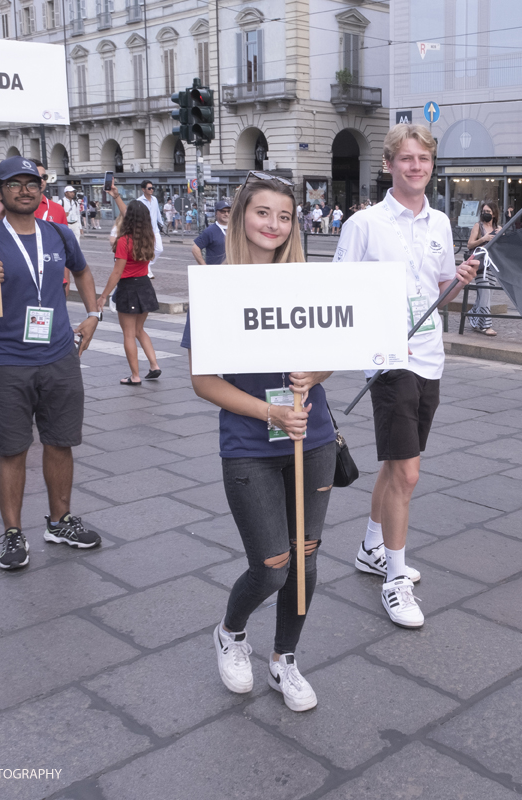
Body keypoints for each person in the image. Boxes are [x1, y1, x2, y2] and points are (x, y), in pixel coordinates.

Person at [185, 174, 337, 712]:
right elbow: (204, 381)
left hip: (311, 438)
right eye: (262, 213)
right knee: (272, 566)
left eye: (284, 216)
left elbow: (336, 349)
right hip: (250, 444)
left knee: (306, 560)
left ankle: (284, 661)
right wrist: (270, 410)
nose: (273, 225)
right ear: (239, 216)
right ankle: (231, 633)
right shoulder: (217, 286)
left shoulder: (306, 281)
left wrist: (312, 376)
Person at [333, 124, 477, 628]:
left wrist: (456, 282)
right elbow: (340, 290)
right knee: (409, 473)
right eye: (406, 158)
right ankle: (394, 580)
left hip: (429, 355)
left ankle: (372, 548)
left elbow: (439, 294)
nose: (416, 166)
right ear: (389, 164)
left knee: (397, 467)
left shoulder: (439, 223)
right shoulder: (365, 224)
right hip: (389, 357)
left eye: (424, 159)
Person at [0, 156, 104, 570]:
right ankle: (12, 532)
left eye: (32, 183)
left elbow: (84, 272)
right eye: (14, 184)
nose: (25, 190)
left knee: (60, 441)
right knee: (12, 448)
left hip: (59, 356)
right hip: (7, 362)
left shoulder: (57, 233)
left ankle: (59, 521)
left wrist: (93, 315)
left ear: (42, 190)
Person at [98, 202, 162, 385]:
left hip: (128, 287)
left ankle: (135, 376)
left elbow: (117, 272)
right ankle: (154, 365)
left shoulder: (124, 240)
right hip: (145, 285)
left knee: (128, 333)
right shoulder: (149, 238)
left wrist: (103, 295)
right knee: (139, 330)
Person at [466, 201, 501, 336]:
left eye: (488, 212)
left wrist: (500, 235)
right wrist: (484, 238)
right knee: (485, 293)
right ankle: (486, 326)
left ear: (494, 214)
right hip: (481, 266)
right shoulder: (478, 226)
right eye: (484, 211)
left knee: (485, 296)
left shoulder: (498, 227)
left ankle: (474, 315)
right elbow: (470, 244)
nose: (485, 214)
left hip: (493, 265)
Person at [135, 180, 164, 274]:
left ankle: (148, 264)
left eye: (153, 188)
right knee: (146, 250)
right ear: (143, 189)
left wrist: (161, 223)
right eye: (149, 188)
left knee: (159, 249)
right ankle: (146, 269)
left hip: (155, 230)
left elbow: (157, 212)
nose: (152, 190)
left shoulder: (155, 199)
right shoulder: (139, 201)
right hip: (145, 231)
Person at [192, 197, 230, 265]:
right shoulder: (210, 231)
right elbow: (195, 249)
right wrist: (204, 267)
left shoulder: (235, 229)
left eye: (228, 211)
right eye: (222, 211)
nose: (226, 214)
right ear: (216, 213)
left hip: (234, 271)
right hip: (216, 272)